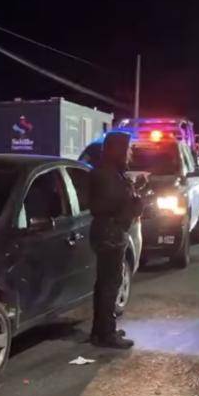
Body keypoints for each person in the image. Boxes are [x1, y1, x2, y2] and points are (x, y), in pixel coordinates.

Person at [89, 131, 142, 349]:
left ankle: (100, 330)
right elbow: (115, 204)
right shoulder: (107, 175)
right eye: (127, 148)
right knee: (110, 284)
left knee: (105, 283)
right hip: (110, 233)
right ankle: (106, 334)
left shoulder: (110, 173)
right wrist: (134, 199)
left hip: (107, 231)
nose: (129, 153)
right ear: (117, 149)